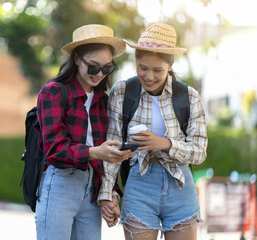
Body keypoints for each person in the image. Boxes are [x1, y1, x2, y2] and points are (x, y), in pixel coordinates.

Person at [98, 22, 208, 240]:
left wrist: (165, 143)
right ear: (135, 62)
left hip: (180, 184)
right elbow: (111, 147)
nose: (149, 76)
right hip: (140, 184)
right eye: (142, 68)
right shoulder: (122, 92)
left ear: (170, 64)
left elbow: (200, 151)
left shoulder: (189, 96)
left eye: (157, 70)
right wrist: (107, 193)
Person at [35, 24, 134, 240]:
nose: (99, 74)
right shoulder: (53, 92)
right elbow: (55, 149)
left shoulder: (104, 101)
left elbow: (107, 157)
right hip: (60, 182)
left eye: (107, 68)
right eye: (93, 67)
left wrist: (112, 193)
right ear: (77, 58)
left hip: (92, 189)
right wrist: (97, 152)